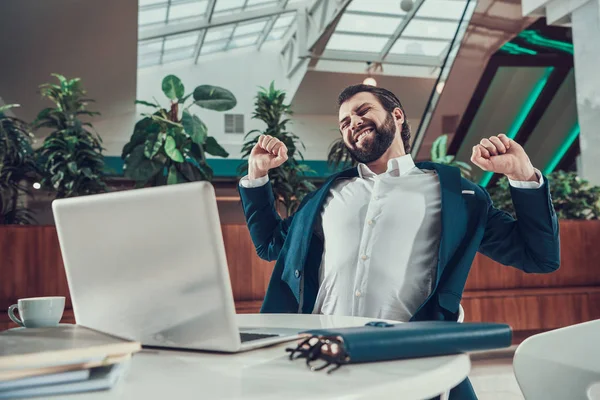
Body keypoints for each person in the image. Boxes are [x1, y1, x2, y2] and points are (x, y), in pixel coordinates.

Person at [238, 84, 560, 399]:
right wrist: (257, 175)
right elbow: (270, 245)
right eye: (345, 122)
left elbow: (538, 256)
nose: (354, 123)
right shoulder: (324, 198)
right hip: (323, 365)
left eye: (363, 111)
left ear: (397, 115)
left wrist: (523, 177)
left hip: (410, 366)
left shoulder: (456, 196)